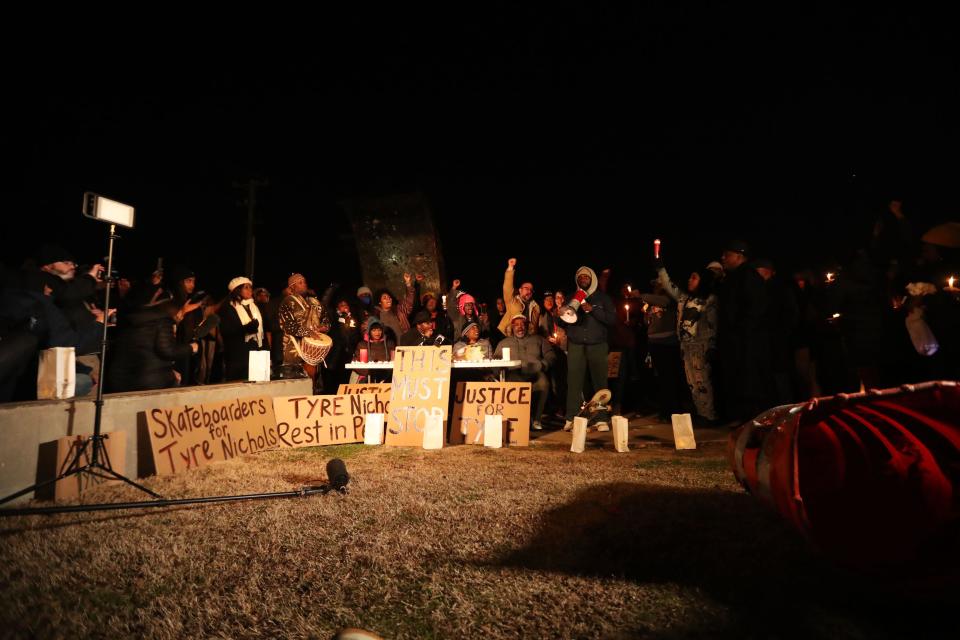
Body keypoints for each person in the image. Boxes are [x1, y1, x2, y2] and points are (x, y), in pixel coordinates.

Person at [559, 266, 616, 430]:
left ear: (592, 279)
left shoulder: (602, 298)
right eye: (580, 277)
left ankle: (601, 419)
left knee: (600, 382)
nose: (583, 279)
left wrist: (593, 310)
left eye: (586, 277)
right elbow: (561, 323)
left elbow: (612, 320)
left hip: (597, 345)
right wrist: (560, 314)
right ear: (577, 279)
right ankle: (571, 418)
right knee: (574, 382)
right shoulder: (571, 297)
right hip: (576, 345)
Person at [494, 314, 556, 430]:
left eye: (523, 324)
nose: (520, 327)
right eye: (516, 325)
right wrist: (495, 374)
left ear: (528, 326)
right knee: (513, 381)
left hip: (535, 373)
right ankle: (519, 419)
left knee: (543, 382)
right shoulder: (504, 343)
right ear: (512, 327)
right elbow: (495, 361)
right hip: (514, 375)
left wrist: (543, 364)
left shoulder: (538, 339)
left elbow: (550, 355)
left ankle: (536, 419)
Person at [278, 273, 331, 393]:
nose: (304, 284)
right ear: (292, 287)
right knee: (295, 385)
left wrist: (324, 328)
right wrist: (308, 332)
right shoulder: (288, 302)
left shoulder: (315, 302)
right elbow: (289, 326)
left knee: (313, 384)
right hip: (294, 348)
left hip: (313, 349)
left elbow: (326, 321)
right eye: (300, 283)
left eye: (304, 282)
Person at [219, 276, 268, 381]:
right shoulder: (229, 307)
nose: (250, 290)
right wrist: (247, 328)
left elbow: (262, 331)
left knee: (256, 383)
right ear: (237, 290)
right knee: (238, 384)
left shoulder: (254, 306)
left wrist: (264, 350)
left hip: (255, 351)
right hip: (237, 355)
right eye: (246, 287)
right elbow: (227, 331)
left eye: (250, 287)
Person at [497, 258, 540, 337]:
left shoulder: (536, 307)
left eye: (531, 290)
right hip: (512, 337)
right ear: (520, 290)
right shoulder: (512, 301)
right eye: (526, 288)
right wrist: (510, 268)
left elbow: (536, 326)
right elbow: (507, 288)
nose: (529, 291)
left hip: (528, 338)